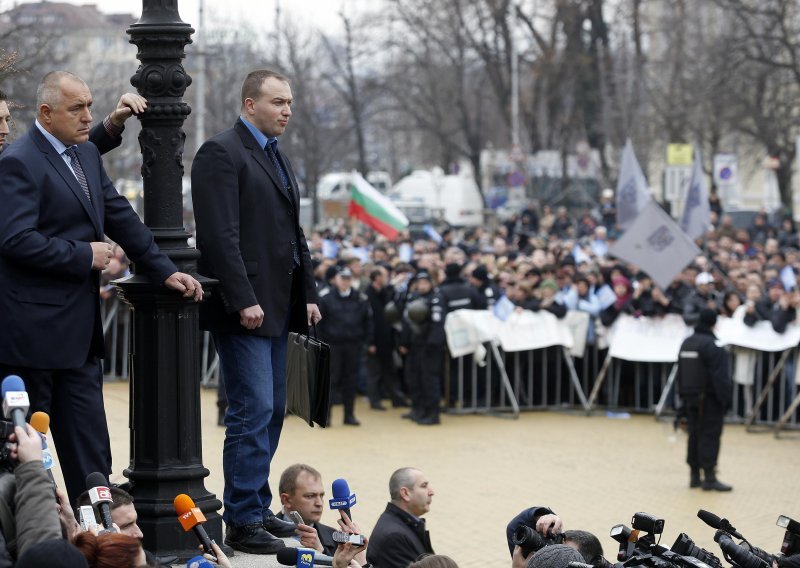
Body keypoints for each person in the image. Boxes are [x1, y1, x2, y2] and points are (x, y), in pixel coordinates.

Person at [0, 71, 202, 505]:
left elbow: (120, 215)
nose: (88, 116)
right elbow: (14, 240)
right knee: (21, 454)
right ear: (46, 113)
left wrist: (164, 268)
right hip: (32, 339)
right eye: (78, 108)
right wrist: (82, 255)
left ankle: (101, 534)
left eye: (90, 106)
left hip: (80, 337)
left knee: (91, 452)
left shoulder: (85, 153)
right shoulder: (18, 161)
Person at [191, 69, 321, 554]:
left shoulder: (276, 156)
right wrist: (243, 298)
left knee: (272, 413)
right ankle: (242, 519)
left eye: (290, 102)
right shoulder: (221, 152)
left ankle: (256, 504)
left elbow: (294, 237)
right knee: (252, 410)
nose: (287, 110)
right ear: (250, 105)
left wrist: (308, 293)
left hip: (278, 307)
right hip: (245, 307)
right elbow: (219, 236)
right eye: (278, 102)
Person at [676, 308, 733, 491]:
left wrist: (681, 401)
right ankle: (709, 476)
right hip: (710, 400)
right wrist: (725, 401)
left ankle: (694, 476)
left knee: (693, 435)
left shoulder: (687, 343)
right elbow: (720, 377)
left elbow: (680, 373)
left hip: (689, 398)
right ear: (714, 323)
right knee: (709, 436)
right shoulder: (713, 346)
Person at [318, 266, 374, 426]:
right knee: (331, 380)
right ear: (336, 279)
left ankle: (349, 415)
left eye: (348, 278)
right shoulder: (326, 298)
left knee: (351, 380)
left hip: (353, 345)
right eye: (342, 278)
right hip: (333, 345)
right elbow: (319, 323)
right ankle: (326, 416)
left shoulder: (360, 298)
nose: (345, 282)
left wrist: (367, 341)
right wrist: (321, 344)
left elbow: (368, 321)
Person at [399, 271, 445, 425]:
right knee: (415, 378)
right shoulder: (414, 297)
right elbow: (406, 322)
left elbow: (438, 324)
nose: (422, 286)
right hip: (415, 344)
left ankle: (432, 413)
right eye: (420, 283)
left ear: (431, 283)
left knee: (429, 380)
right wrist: (404, 342)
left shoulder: (436, 299)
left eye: (425, 282)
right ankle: (418, 409)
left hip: (430, 346)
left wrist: (432, 343)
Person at [367, 467, 435, 568]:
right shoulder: (394, 536)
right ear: (405, 493)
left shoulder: (405, 525)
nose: (431, 492)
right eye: (424, 486)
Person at [276, 464, 337, 556]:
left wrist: (321, 552)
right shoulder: (263, 535)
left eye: (321, 495)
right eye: (310, 496)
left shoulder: (335, 537)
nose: (319, 503)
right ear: (286, 500)